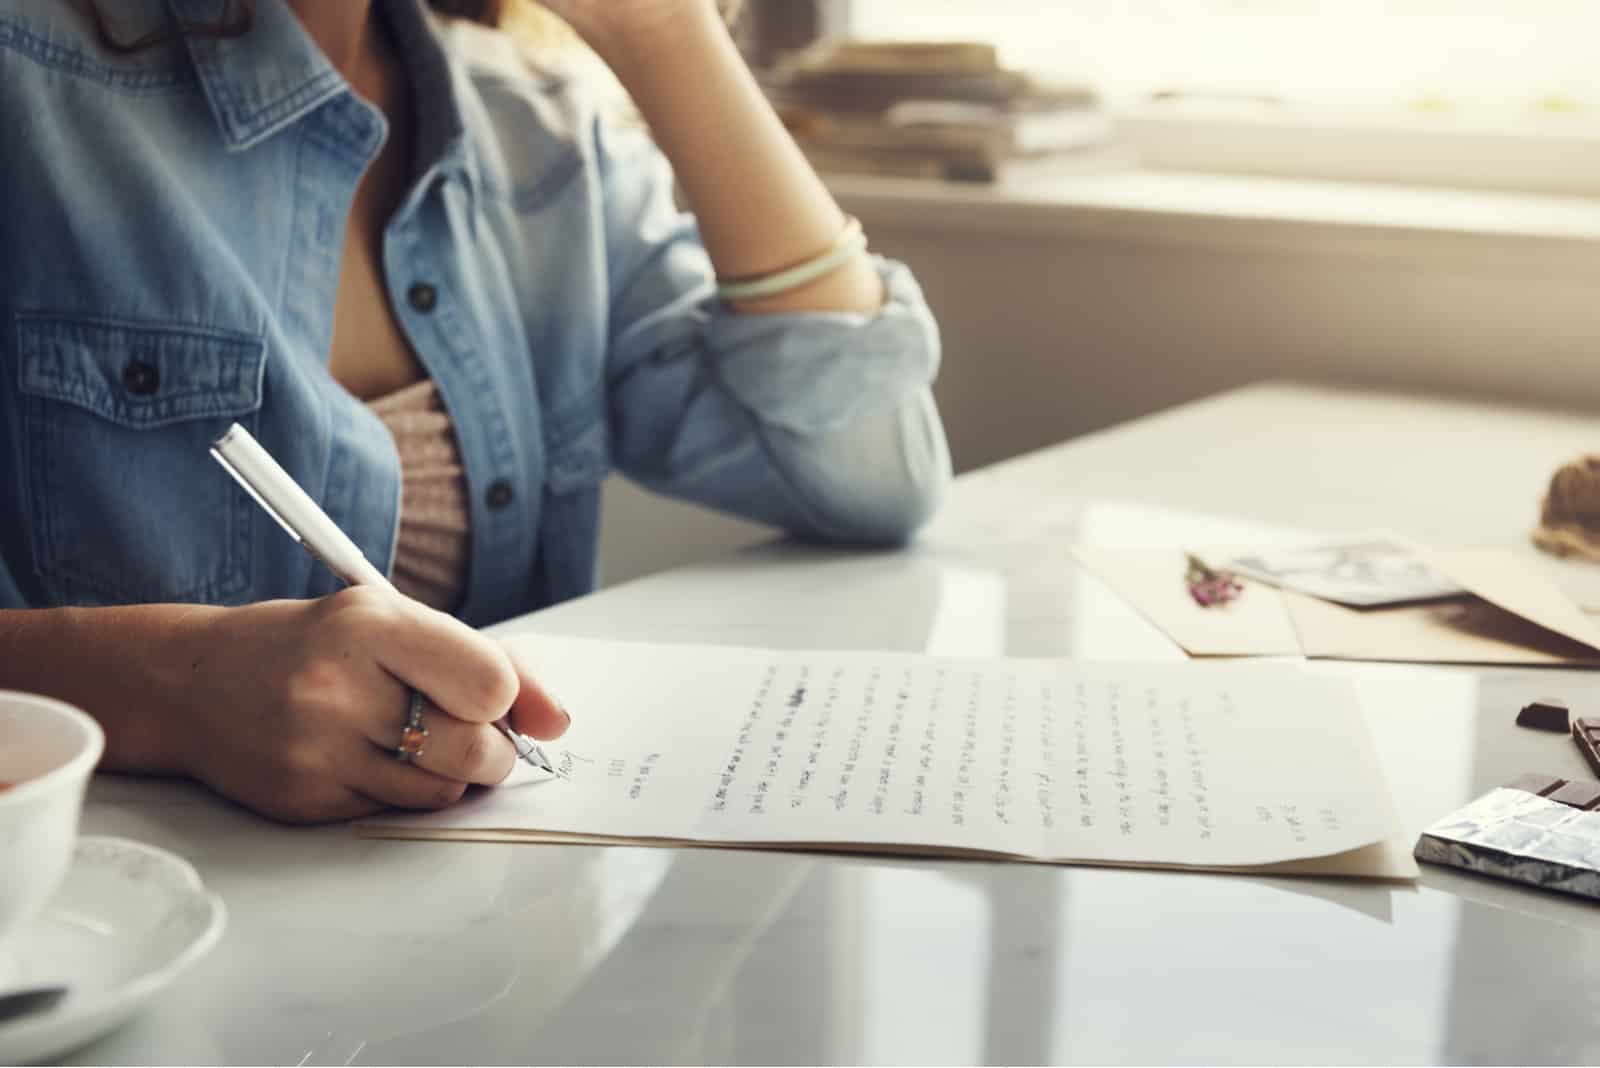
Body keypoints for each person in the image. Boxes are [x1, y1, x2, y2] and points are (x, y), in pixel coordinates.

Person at [0, 0, 951, 822]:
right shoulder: (28, 84)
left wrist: (665, 31)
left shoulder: (537, 132)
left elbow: (874, 477)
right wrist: (176, 689)